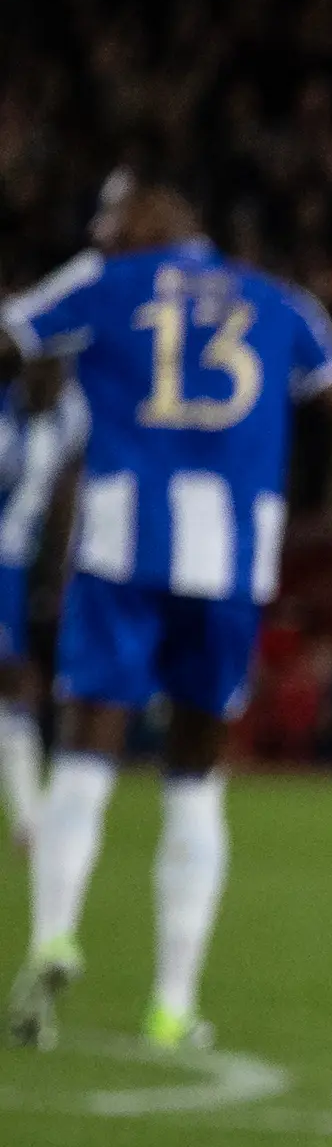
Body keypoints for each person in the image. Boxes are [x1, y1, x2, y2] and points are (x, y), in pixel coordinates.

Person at [5, 170, 332, 1049]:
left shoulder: (103, 281)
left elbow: (9, 342)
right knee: (197, 771)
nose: (100, 230)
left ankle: (52, 933)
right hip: (233, 555)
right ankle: (172, 1002)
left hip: (122, 540)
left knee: (88, 746)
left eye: (111, 212)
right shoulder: (282, 303)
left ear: (156, 210)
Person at [0, 270, 92, 847]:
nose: (51, 376)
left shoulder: (74, 414)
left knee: (21, 681)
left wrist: (57, 571)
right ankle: (29, 816)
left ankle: (29, 812)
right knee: (17, 679)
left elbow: (68, 495)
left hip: (24, 565)